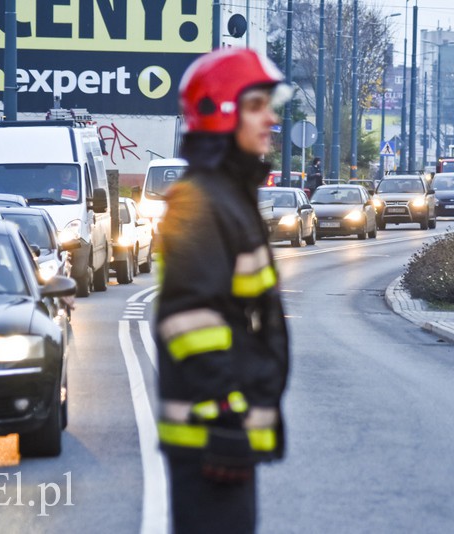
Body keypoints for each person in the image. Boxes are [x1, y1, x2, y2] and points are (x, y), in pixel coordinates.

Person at [155, 48, 290, 534]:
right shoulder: (199, 201)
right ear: (222, 112)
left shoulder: (228, 195)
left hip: (221, 433)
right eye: (256, 106)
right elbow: (188, 317)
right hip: (211, 435)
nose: (271, 119)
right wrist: (227, 416)